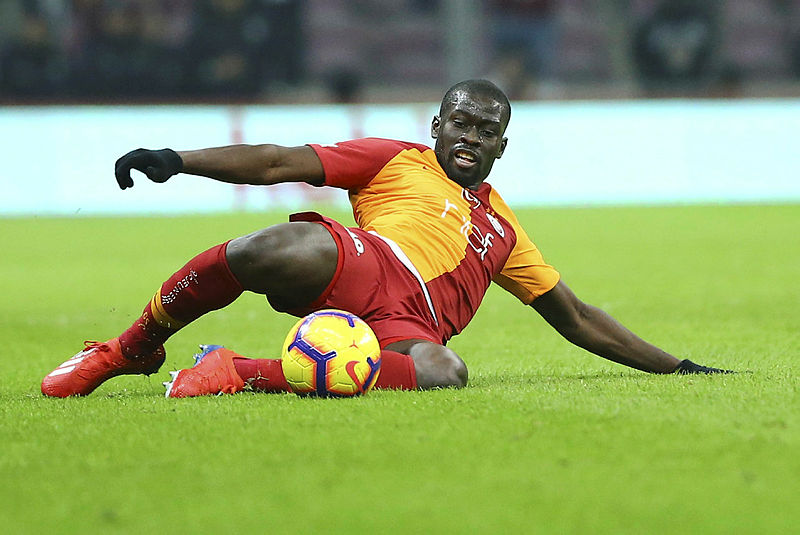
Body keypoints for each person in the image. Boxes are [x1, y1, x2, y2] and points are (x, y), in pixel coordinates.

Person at [41, 79, 730, 398]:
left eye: (486, 130)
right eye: (461, 123)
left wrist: (677, 368)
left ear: (502, 145)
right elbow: (278, 162)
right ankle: (128, 349)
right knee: (273, 247)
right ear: (437, 126)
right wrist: (178, 159)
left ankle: (236, 371)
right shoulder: (396, 159)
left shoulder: (505, 230)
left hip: (407, 326)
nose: (471, 137)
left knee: (445, 372)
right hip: (364, 266)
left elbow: (575, 317)